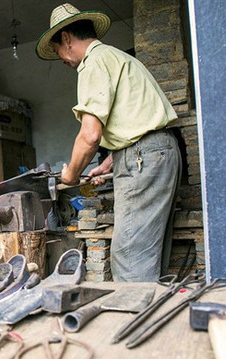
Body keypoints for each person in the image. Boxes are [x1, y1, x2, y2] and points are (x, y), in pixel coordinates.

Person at [36, 4, 181, 282]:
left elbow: (89, 135)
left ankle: (133, 320)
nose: (62, 60)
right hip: (161, 150)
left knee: (129, 257)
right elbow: (138, 123)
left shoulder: (93, 62)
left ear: (66, 38)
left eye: (57, 52)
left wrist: (71, 175)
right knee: (150, 251)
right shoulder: (117, 58)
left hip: (144, 155)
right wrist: (109, 162)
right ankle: (153, 316)